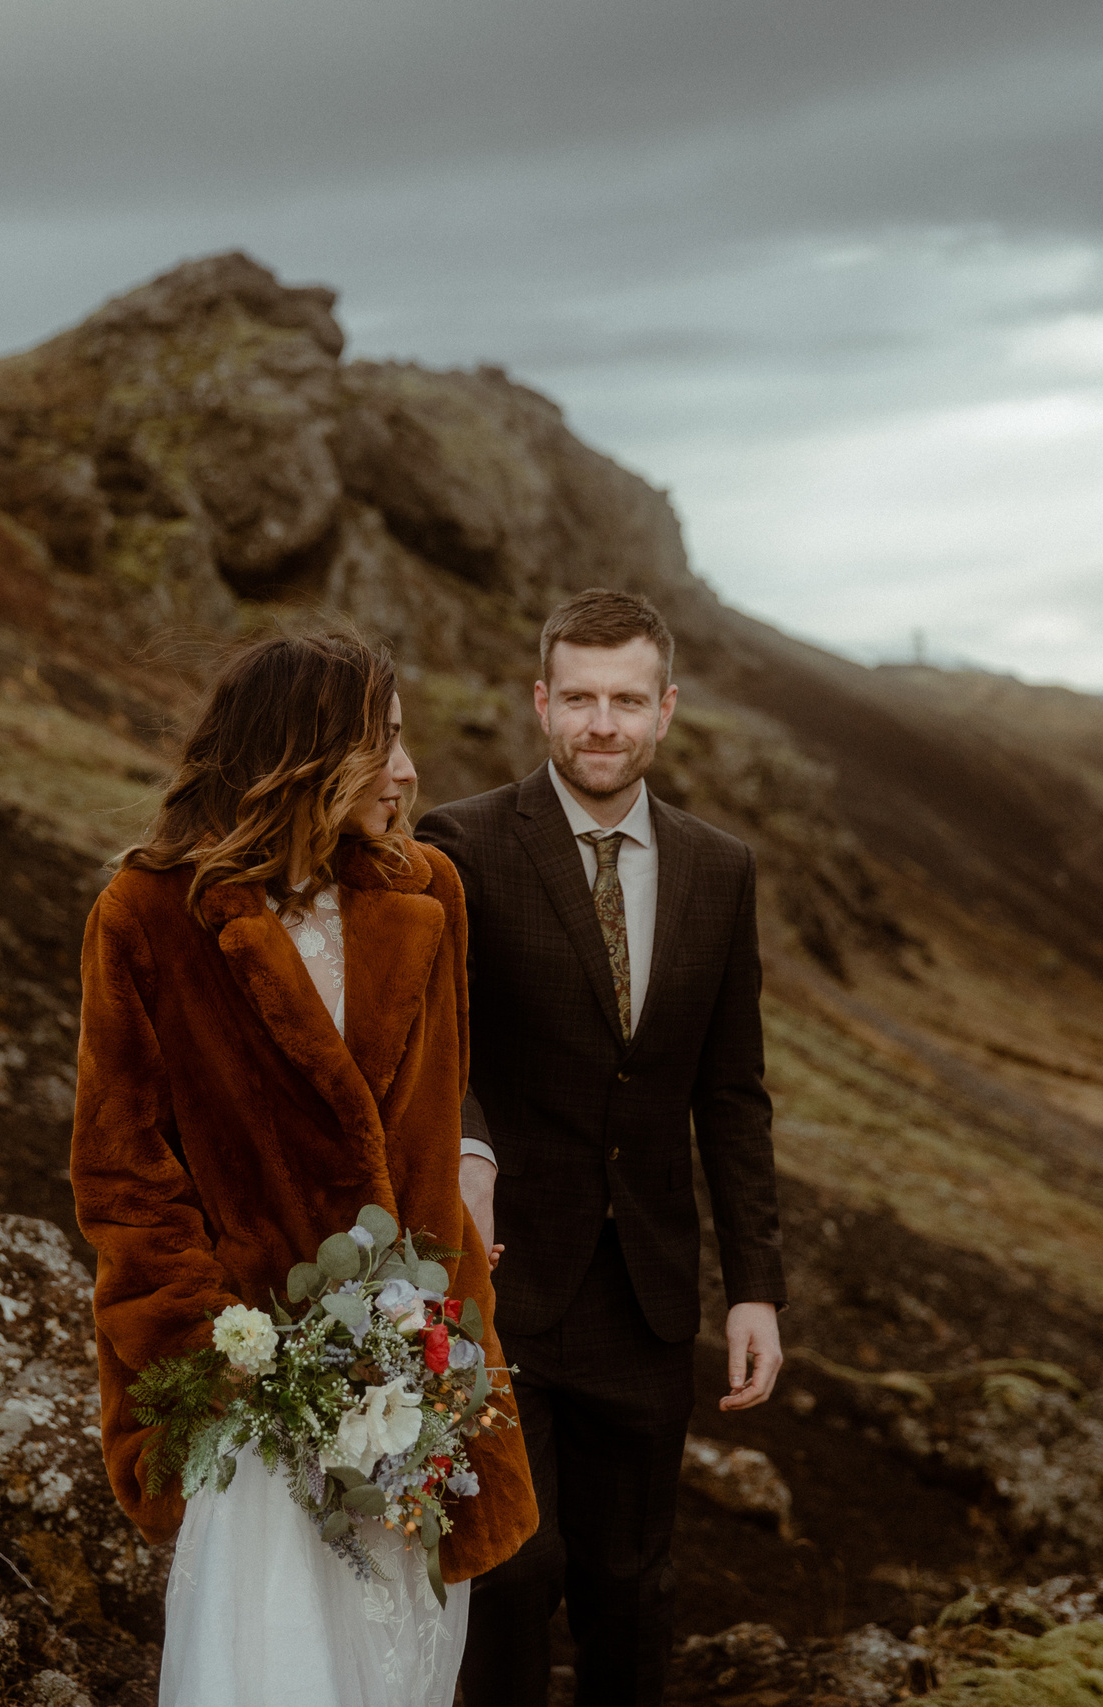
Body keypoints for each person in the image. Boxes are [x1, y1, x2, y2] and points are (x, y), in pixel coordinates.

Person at [71, 632, 538, 1707]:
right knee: (276, 1673)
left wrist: (445, 1306)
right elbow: (124, 1176)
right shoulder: (147, 915)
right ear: (301, 754)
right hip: (257, 1394)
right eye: (383, 749)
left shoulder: (431, 892)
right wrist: (219, 1355)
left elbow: (440, 1100)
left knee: (403, 1668)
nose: (410, 776)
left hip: (425, 1384)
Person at [420, 588, 784, 1707]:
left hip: (647, 1294)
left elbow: (731, 1095)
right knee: (514, 1570)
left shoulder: (719, 871)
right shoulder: (463, 846)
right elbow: (441, 1052)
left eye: (626, 700)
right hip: (504, 1280)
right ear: (540, 702)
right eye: (577, 698)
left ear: (665, 710)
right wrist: (471, 1159)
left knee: (633, 1584)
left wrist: (754, 1291)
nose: (600, 724)